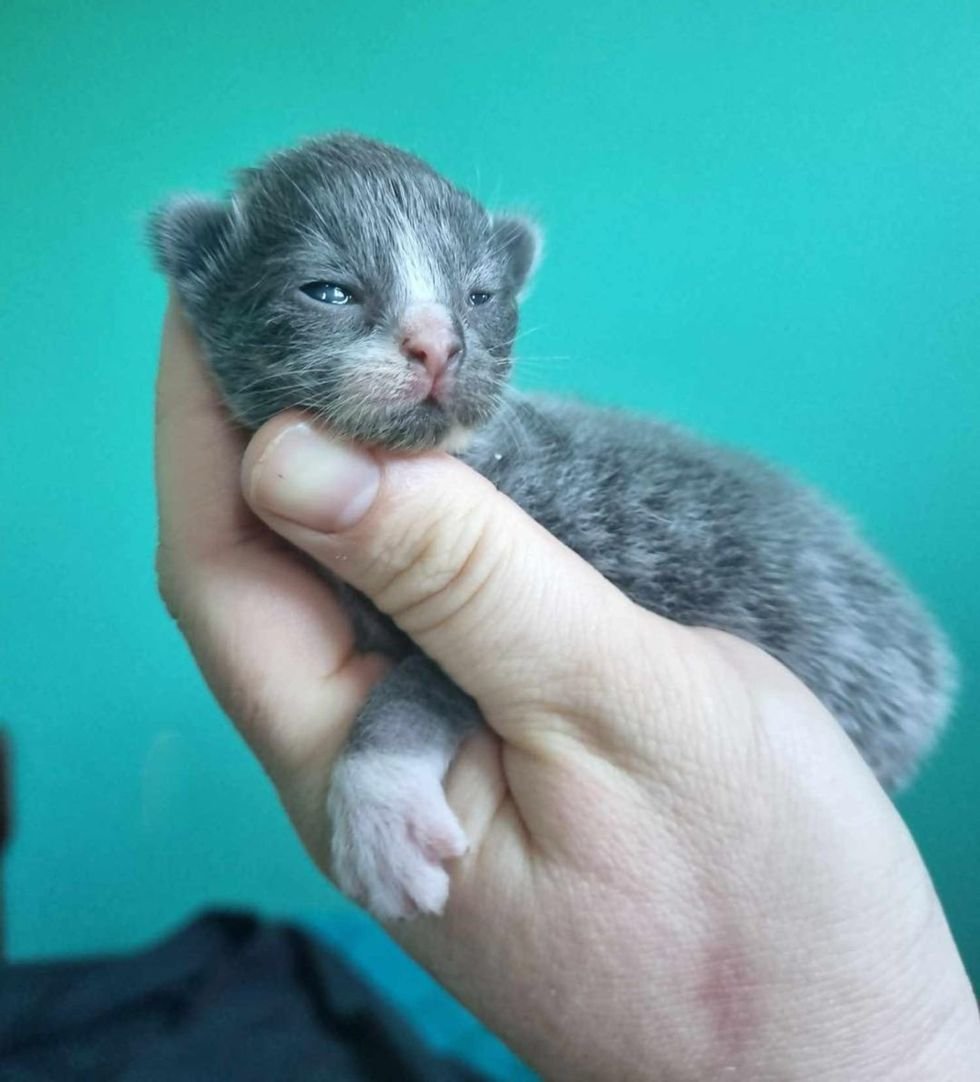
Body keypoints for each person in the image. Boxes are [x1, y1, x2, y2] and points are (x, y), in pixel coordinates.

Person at [155, 299, 979, 1080]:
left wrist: (877, 1049)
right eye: (330, 293)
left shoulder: (482, 474)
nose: (436, 342)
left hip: (843, 685)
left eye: (476, 299)